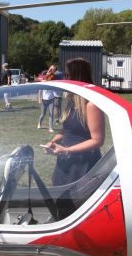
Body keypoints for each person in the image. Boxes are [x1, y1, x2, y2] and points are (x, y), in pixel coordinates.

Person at [43, 58, 105, 186]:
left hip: (83, 166)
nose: (65, 78)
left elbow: (97, 140)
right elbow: (67, 130)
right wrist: (53, 142)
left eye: (67, 75)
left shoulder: (91, 105)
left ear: (77, 77)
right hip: (66, 162)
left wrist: (67, 150)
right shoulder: (72, 102)